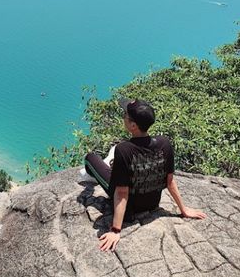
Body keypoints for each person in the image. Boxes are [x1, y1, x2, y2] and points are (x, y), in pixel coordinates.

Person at [84, 98, 206, 252]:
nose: (123, 117)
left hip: (129, 209)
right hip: (152, 203)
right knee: (115, 162)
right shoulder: (164, 143)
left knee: (90, 158)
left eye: (125, 115)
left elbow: (121, 192)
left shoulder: (124, 149)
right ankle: (112, 165)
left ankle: (100, 170)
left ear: (133, 126)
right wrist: (184, 210)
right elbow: (170, 181)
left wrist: (115, 230)